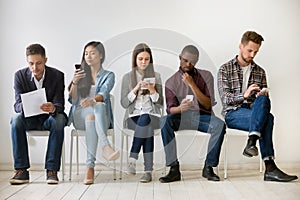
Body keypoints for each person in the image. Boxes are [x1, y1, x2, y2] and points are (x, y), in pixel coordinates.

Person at [218, 31, 298, 182]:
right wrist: (245, 95)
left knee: (263, 100)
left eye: (256, 52)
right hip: (233, 114)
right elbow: (225, 99)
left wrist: (260, 97)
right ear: (240, 46)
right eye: (249, 50)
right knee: (268, 118)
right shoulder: (225, 69)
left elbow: (262, 104)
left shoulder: (260, 72)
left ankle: (252, 141)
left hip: (252, 113)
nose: (252, 55)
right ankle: (270, 167)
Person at [159, 45, 226, 183]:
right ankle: (173, 169)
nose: (188, 64)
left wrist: (192, 85)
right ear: (179, 58)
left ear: (197, 61)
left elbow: (208, 104)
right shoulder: (170, 82)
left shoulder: (206, 76)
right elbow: (170, 109)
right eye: (185, 60)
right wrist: (180, 108)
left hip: (202, 116)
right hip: (180, 117)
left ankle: (208, 167)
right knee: (164, 121)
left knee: (219, 125)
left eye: (192, 62)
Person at [10, 44, 67, 185]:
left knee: (59, 119)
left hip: (49, 118)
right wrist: (26, 105)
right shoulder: (20, 76)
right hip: (29, 118)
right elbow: (16, 105)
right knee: (15, 119)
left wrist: (53, 107)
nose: (35, 68)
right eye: (31, 64)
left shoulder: (57, 75)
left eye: (39, 63)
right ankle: (21, 170)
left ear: (45, 60)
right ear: (27, 62)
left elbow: (60, 104)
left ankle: (52, 170)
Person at [68, 41, 119, 185]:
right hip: (79, 115)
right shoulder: (80, 75)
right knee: (93, 110)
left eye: (92, 53)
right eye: (86, 53)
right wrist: (75, 82)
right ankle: (106, 146)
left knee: (98, 107)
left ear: (101, 55)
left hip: (98, 116)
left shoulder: (109, 75)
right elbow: (72, 100)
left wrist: (92, 100)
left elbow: (104, 93)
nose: (88, 56)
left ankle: (90, 167)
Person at [120, 43, 163, 183]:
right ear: (135, 60)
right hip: (133, 117)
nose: (144, 62)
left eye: (147, 59)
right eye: (140, 59)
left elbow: (161, 103)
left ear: (150, 60)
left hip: (153, 115)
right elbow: (124, 103)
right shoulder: (127, 77)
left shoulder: (156, 76)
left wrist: (152, 91)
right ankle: (148, 171)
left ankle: (132, 159)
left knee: (146, 118)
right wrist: (135, 90)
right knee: (147, 125)